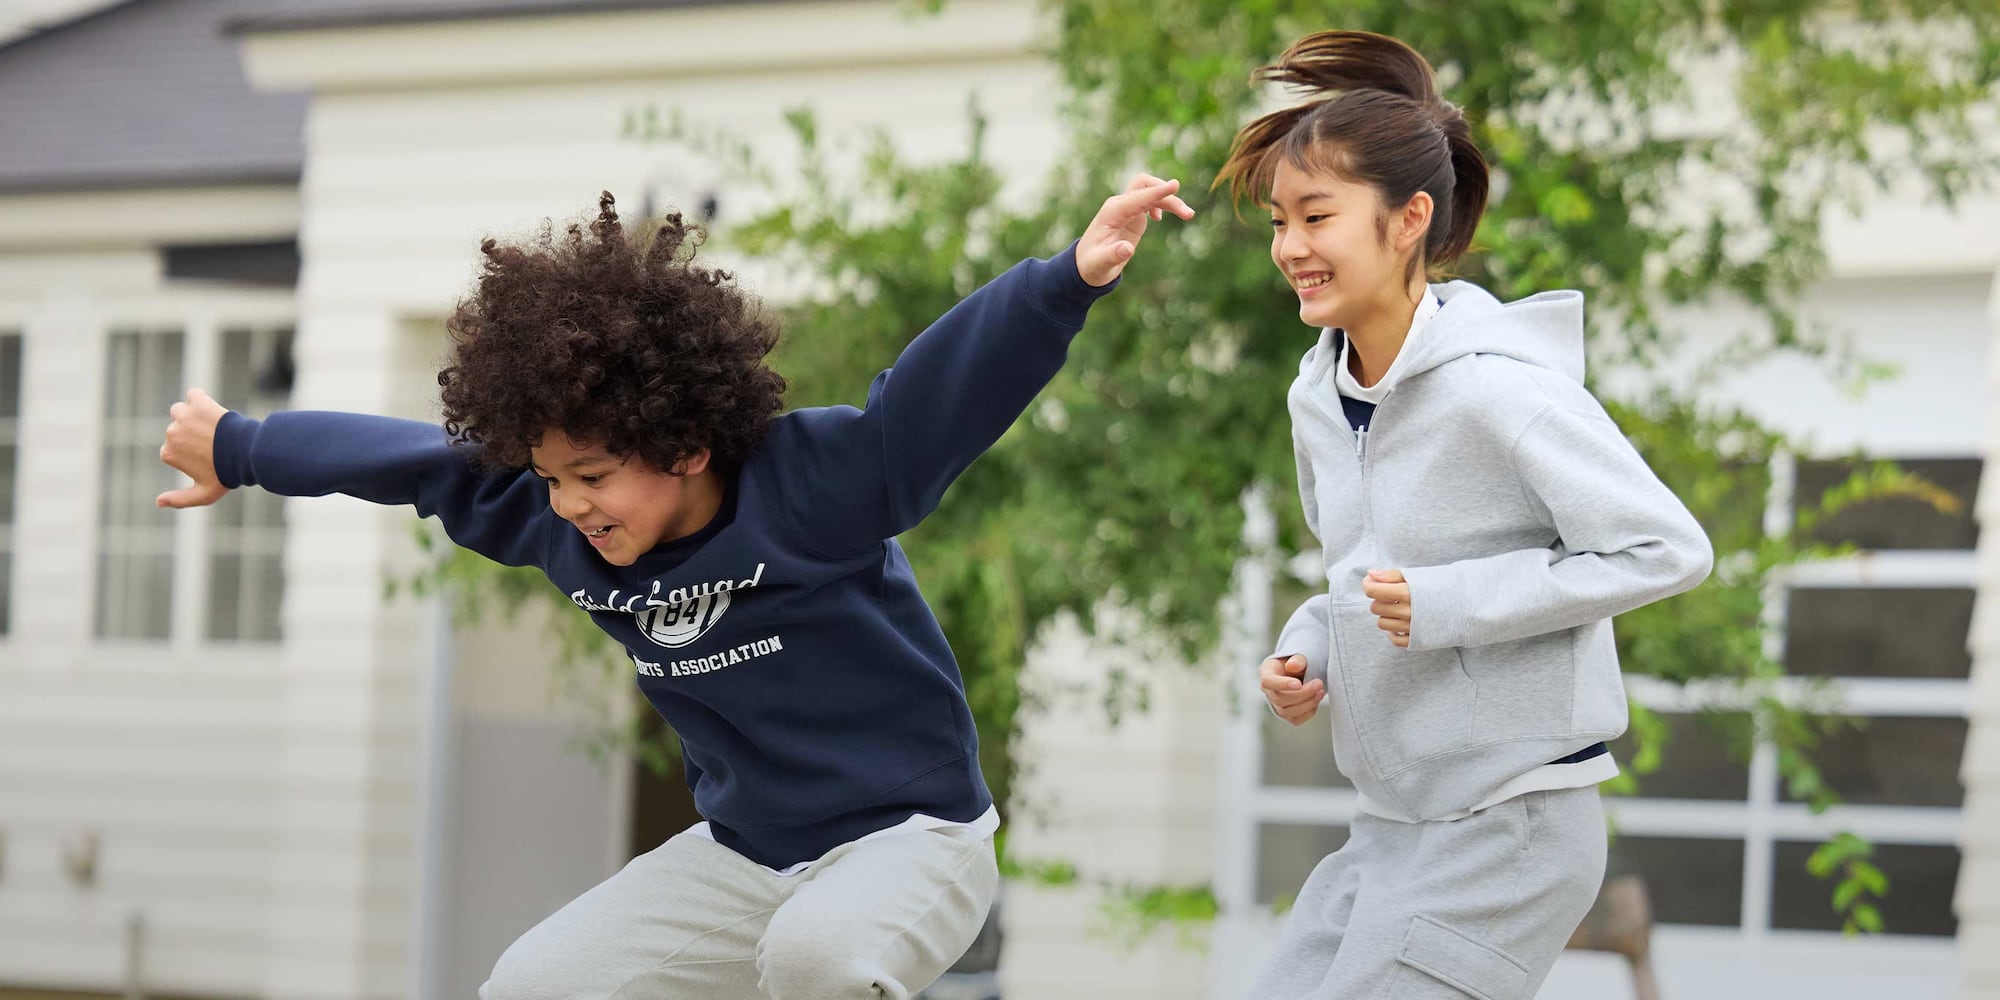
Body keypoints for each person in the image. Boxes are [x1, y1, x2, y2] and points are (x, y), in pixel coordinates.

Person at [156, 178, 1193, 1000]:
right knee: (534, 984)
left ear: (686, 443)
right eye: (552, 478)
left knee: (818, 961)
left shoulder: (812, 486)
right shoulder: (552, 522)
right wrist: (242, 444)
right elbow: (420, 465)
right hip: (745, 859)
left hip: (913, 842)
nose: (568, 507)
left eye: (594, 477)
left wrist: (1064, 280)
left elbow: (924, 410)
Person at [1216, 30, 1712, 999]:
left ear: (1406, 220)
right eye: (1278, 221)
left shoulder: (1498, 391)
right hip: (1391, 825)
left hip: (1512, 826)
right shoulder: (1315, 395)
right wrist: (1305, 647)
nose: (1288, 248)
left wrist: (1449, 602)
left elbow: (1666, 547)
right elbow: (1357, 582)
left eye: (1314, 216)